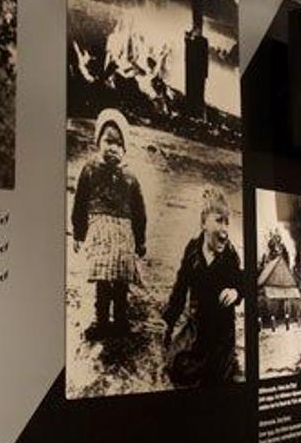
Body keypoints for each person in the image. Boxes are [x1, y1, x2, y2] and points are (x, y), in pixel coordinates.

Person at [70, 108, 147, 339]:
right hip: (100, 232)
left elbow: (139, 212)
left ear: (124, 149)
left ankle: (121, 320)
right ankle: (102, 320)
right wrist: (78, 233)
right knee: (103, 278)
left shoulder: (130, 178)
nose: (113, 147)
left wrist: (140, 242)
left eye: (118, 143)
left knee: (122, 278)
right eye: (108, 141)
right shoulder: (90, 171)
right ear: (98, 142)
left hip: (123, 234)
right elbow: (80, 203)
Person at [162, 187, 242, 387]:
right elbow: (180, 289)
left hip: (221, 333)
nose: (224, 229)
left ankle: (230, 361)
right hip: (196, 327)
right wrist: (169, 321)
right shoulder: (192, 250)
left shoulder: (230, 256)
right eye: (218, 220)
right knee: (176, 368)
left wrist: (235, 291)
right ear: (203, 222)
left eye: (227, 222)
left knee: (216, 378)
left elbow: (242, 279)